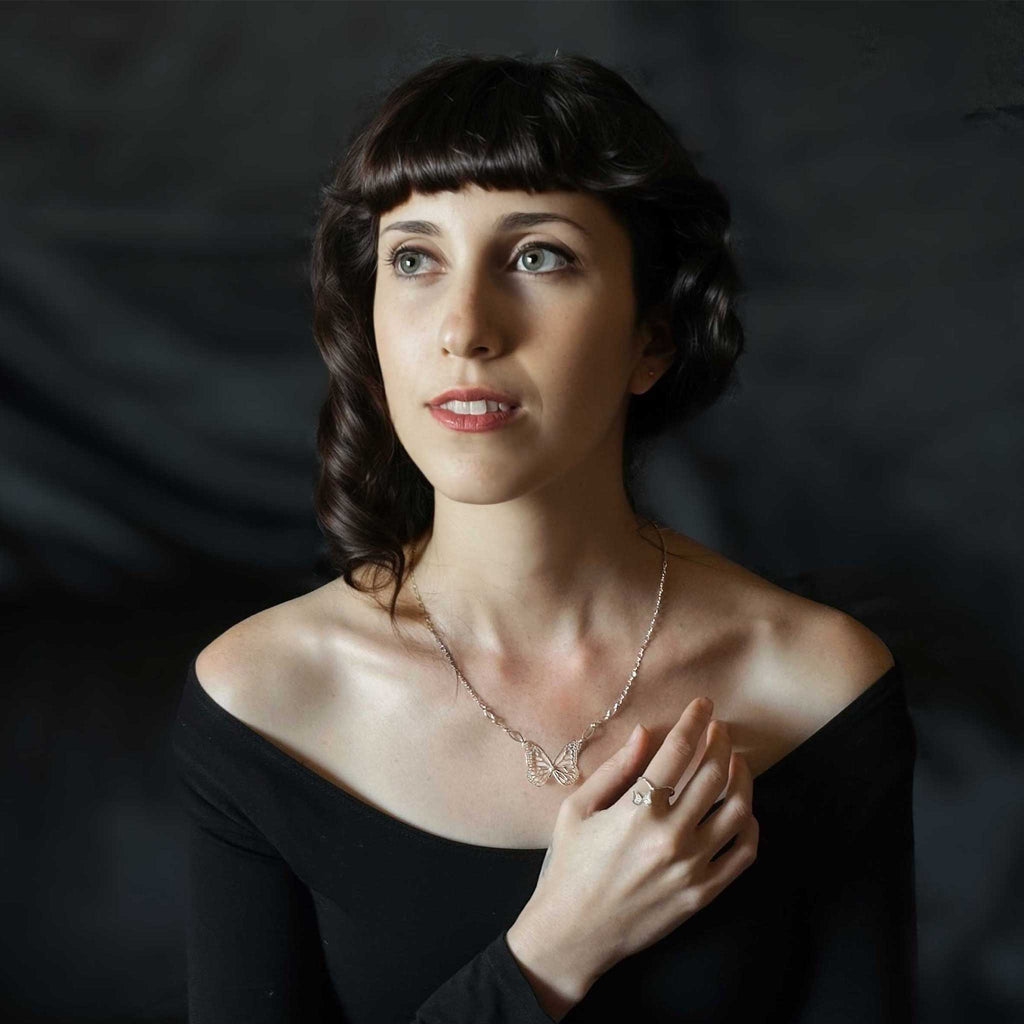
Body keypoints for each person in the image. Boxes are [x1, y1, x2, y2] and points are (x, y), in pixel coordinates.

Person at [172, 51, 917, 1022]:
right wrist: (553, 951)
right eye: (414, 259)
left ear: (653, 336)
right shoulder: (263, 700)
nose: (465, 328)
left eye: (537, 257)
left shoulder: (814, 686)